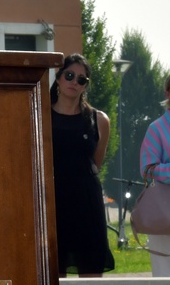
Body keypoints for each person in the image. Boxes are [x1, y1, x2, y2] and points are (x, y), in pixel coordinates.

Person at [50, 53, 115, 276]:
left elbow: (94, 163)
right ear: (58, 78)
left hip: (87, 204)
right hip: (52, 204)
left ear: (85, 86)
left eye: (81, 79)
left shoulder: (100, 120)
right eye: (69, 75)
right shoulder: (40, 115)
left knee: (91, 274)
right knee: (52, 272)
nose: (74, 82)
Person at [139, 73, 170, 274]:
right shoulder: (156, 128)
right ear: (168, 93)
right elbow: (147, 169)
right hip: (164, 216)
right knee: (164, 274)